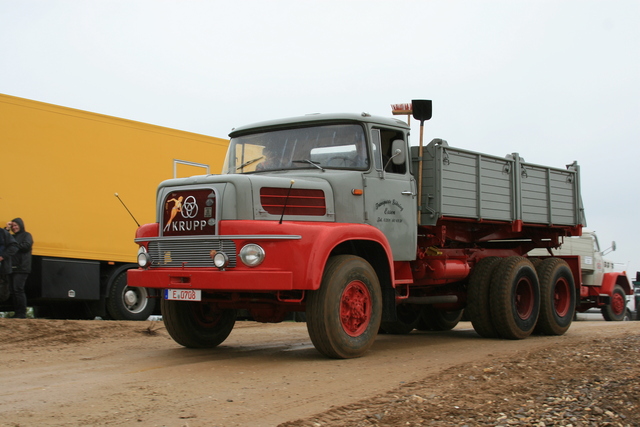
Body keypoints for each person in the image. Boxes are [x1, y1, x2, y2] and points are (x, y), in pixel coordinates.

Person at [6, 218, 33, 319]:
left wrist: (13, 246)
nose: (14, 227)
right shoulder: (12, 236)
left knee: (18, 289)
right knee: (13, 290)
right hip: (12, 266)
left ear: (21, 225)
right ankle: (17, 312)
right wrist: (7, 228)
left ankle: (22, 313)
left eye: (16, 225)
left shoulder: (27, 235)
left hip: (22, 267)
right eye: (12, 226)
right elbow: (3, 239)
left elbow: (26, 245)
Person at [0, 227, 18, 303]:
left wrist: (2, 256)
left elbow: (14, 246)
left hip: (2, 268)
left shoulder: (2, 233)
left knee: (2, 292)